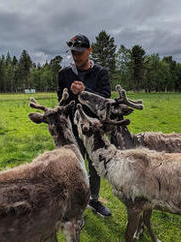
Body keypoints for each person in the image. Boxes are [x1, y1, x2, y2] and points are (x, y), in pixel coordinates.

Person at [57, 34, 112, 217]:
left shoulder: (101, 73)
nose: (76, 56)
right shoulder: (64, 74)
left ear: (90, 51)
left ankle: (94, 200)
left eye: (80, 52)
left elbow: (105, 99)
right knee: (74, 166)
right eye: (73, 52)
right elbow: (61, 101)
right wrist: (70, 94)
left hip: (95, 129)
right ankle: (74, 202)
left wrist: (85, 91)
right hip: (73, 129)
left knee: (95, 165)